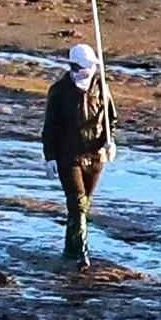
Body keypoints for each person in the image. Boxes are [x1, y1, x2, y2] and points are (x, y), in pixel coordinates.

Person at [43, 33, 115, 268]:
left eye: (92, 66)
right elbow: (50, 127)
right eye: (85, 67)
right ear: (74, 67)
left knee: (84, 203)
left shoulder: (101, 87)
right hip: (68, 156)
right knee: (77, 203)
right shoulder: (59, 92)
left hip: (95, 156)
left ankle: (70, 248)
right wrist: (50, 158)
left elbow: (110, 119)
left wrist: (109, 141)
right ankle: (80, 252)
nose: (90, 71)